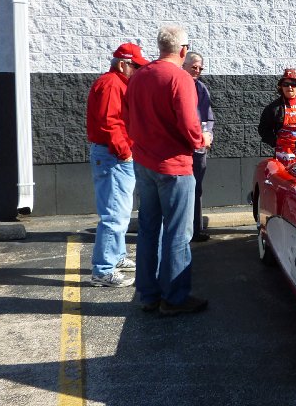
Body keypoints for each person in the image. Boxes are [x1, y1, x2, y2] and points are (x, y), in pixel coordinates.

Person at [125, 24, 212, 315]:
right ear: (183, 50)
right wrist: (202, 139)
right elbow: (190, 125)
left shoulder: (139, 76)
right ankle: (174, 298)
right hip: (174, 166)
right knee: (177, 233)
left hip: (144, 163)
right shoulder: (180, 78)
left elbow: (128, 118)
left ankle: (148, 295)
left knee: (149, 229)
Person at [86, 42, 149, 287]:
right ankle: (103, 270)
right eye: (136, 66)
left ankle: (116, 257)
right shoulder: (112, 84)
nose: (138, 71)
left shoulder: (114, 82)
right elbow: (110, 123)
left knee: (119, 211)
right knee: (114, 214)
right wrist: (125, 152)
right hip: (113, 155)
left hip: (113, 154)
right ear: (123, 64)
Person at [182, 51, 215, 242]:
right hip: (182, 148)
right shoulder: (177, 85)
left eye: (200, 68)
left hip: (199, 147)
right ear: (184, 65)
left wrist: (208, 134)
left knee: (196, 189)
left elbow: (208, 117)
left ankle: (195, 230)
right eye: (194, 67)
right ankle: (182, 232)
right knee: (181, 190)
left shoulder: (201, 88)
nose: (197, 71)